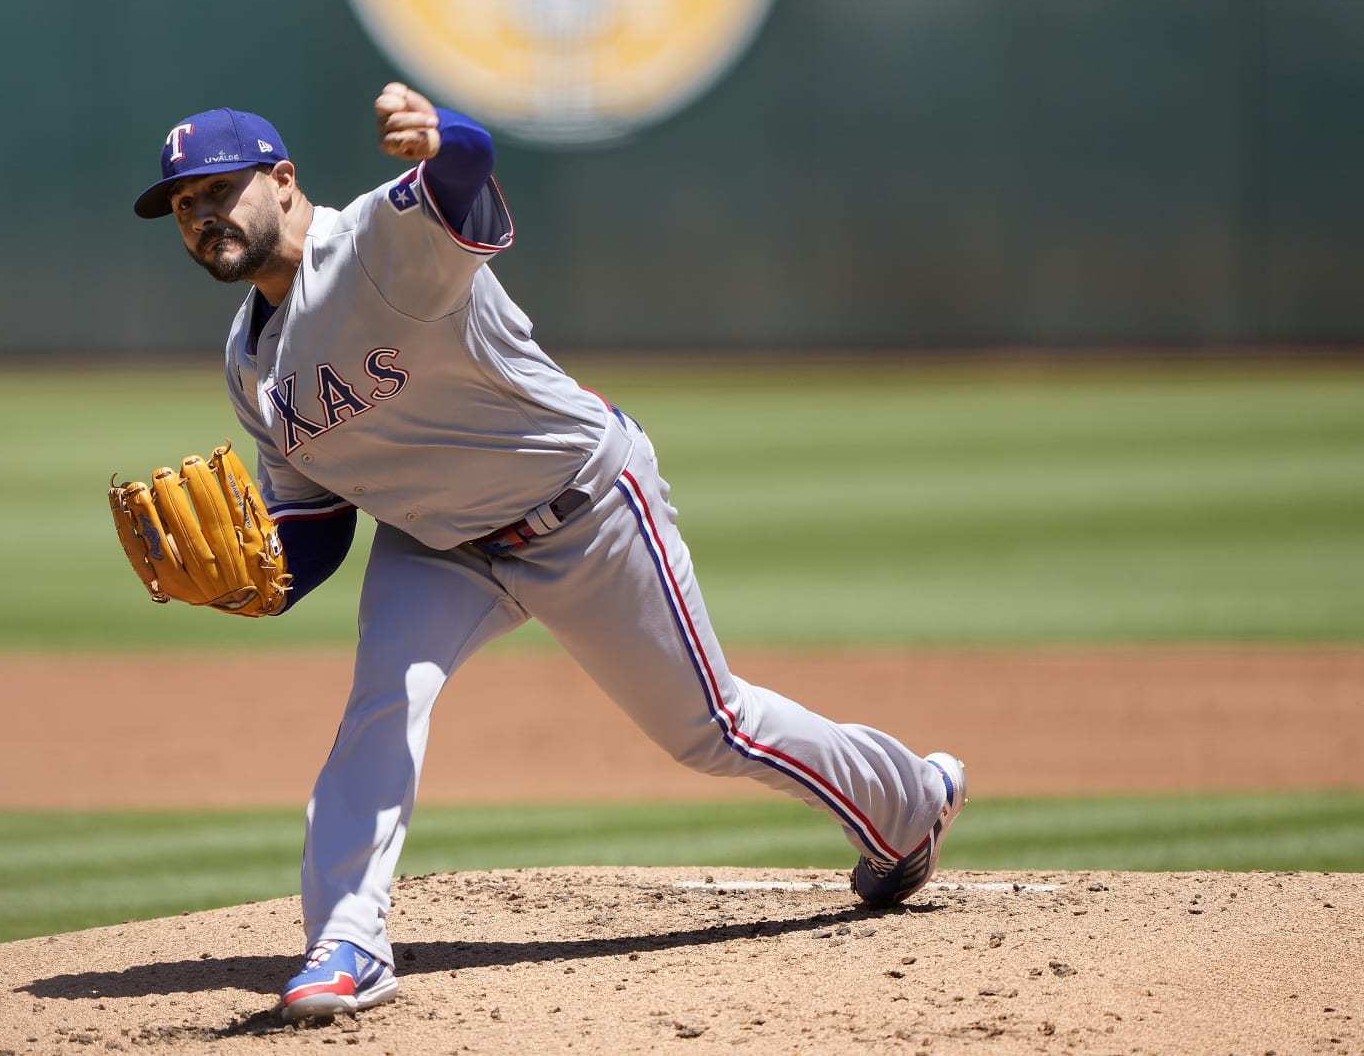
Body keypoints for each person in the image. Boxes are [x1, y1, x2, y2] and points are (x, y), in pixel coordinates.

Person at [131, 84, 966, 1022]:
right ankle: (347, 944)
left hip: (583, 508)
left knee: (711, 729)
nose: (202, 215)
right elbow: (313, 519)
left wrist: (446, 136)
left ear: (283, 182)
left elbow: (463, 180)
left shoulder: (377, 243)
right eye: (184, 206)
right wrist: (263, 584)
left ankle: (910, 803)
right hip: (439, 547)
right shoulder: (250, 364)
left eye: (218, 189)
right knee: (382, 703)